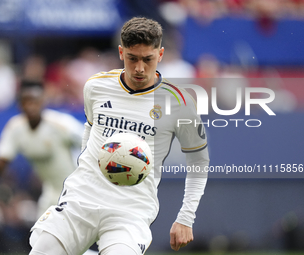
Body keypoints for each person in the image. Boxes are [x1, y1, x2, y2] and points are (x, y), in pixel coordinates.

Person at [29, 17, 209, 255]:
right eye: (132, 58)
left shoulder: (180, 102)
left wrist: (186, 217)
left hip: (130, 211)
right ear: (121, 52)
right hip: (81, 200)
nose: (139, 68)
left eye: (148, 59)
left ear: (161, 54)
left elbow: (199, 161)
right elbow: (90, 130)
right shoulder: (96, 86)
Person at [0, 80, 98, 255]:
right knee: (39, 243)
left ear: (43, 101)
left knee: (66, 247)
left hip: (76, 191)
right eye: (26, 101)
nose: (30, 105)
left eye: (34, 100)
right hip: (51, 192)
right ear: (20, 104)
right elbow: (0, 169)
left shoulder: (60, 124)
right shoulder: (15, 128)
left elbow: (92, 141)